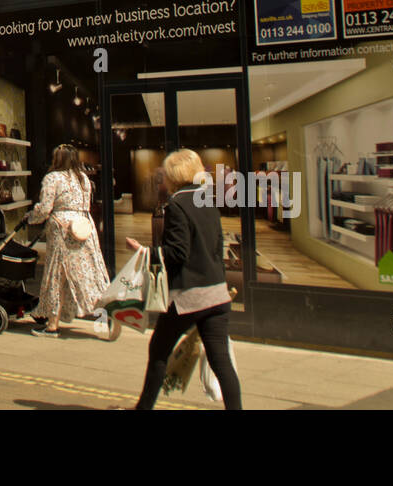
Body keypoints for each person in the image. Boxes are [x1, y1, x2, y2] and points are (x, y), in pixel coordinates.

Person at [126, 148, 242, 410]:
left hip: (190, 297)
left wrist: (145, 252)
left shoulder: (176, 205)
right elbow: (216, 247)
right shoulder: (206, 200)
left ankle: (142, 409)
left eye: (165, 174)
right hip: (216, 294)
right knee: (221, 362)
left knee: (158, 351)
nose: (162, 179)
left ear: (174, 176)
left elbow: (178, 253)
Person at [26, 144, 110, 337]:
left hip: (62, 231)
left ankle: (52, 324)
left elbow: (45, 207)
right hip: (83, 227)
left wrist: (31, 217)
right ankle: (107, 311)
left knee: (57, 275)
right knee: (89, 272)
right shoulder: (84, 180)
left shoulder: (53, 178)